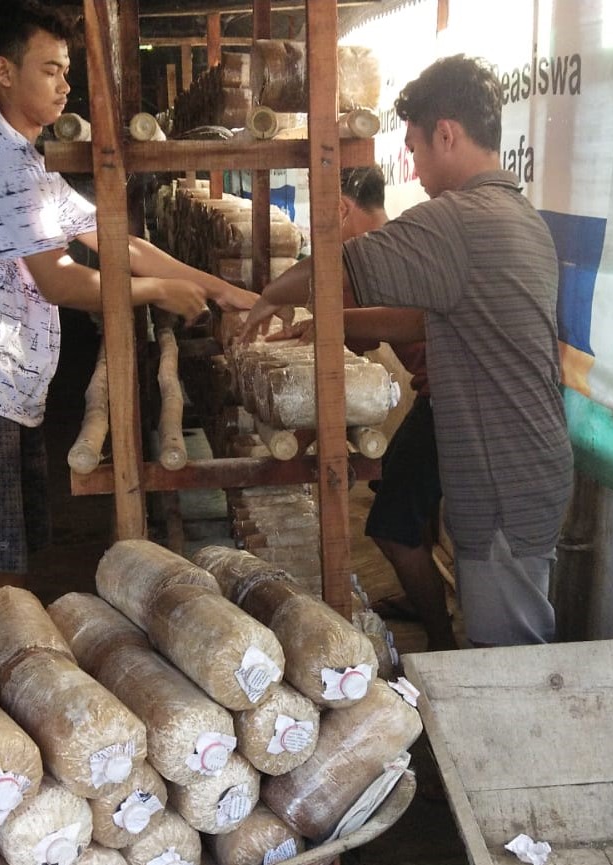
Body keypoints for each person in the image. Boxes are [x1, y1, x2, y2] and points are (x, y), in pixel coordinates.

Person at [0, 0, 257, 643]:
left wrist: (216, 287)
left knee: (3, 553)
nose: (64, 84)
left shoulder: (28, 165)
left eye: (67, 70)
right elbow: (60, 278)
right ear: (4, 72)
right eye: (50, 69)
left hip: (3, 388)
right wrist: (159, 292)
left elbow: (113, 238)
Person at [242, 55, 572, 647]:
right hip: (522, 467)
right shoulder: (519, 216)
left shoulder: (461, 219)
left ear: (446, 133)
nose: (414, 171)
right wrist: (328, 325)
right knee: (506, 639)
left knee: (510, 662)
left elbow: (340, 267)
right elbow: (423, 320)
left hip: (503, 480)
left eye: (416, 150)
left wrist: (271, 295)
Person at [269, 165, 456, 651]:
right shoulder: (400, 246)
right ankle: (423, 599)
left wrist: (294, 444)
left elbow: (346, 348)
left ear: (341, 210)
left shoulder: (366, 259)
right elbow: (363, 337)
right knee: (402, 490)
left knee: (391, 525)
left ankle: (440, 641)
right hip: (443, 392)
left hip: (452, 399)